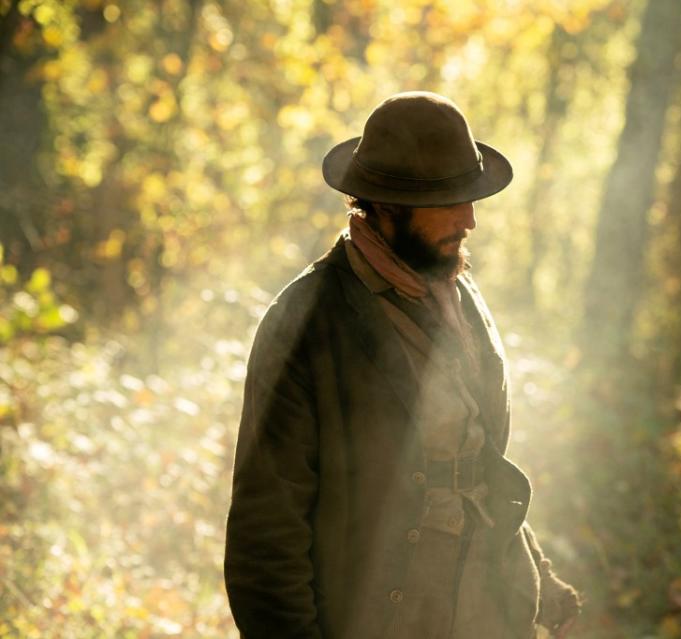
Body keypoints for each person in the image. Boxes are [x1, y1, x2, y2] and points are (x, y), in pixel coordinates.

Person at [224, 91, 580, 639]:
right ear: (386, 206)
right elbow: (266, 533)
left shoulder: (459, 296)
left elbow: (475, 456)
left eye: (471, 196)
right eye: (450, 200)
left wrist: (537, 573)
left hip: (484, 608)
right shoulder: (307, 319)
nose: (470, 219)